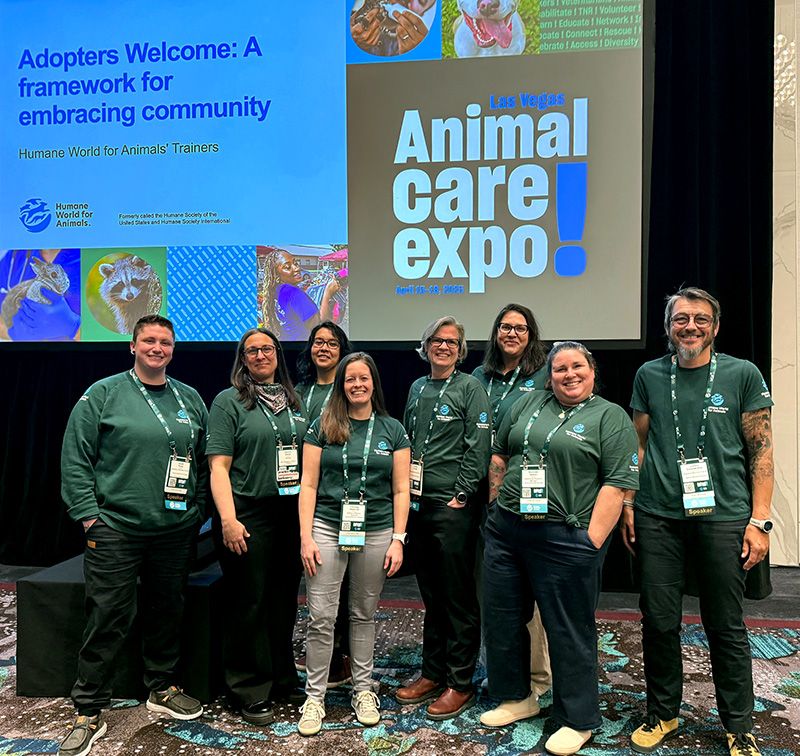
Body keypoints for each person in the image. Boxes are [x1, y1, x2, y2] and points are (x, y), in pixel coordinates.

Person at [621, 288, 774, 756]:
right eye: (681, 318)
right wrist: (629, 504)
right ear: (668, 327)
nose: (690, 326)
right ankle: (663, 713)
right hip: (658, 515)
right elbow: (638, 445)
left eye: (700, 319)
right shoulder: (649, 375)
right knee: (658, 620)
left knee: (725, 624)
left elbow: (761, 451)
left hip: (724, 516)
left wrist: (760, 521)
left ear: (716, 326)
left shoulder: (742, 374)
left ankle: (739, 725)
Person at [59, 314, 207, 756]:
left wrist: (196, 511)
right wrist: (89, 517)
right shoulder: (103, 394)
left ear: (173, 349)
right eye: (149, 340)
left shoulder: (189, 397)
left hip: (174, 529)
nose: (157, 348)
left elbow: (203, 461)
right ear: (133, 345)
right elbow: (76, 457)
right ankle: (89, 710)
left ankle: (161, 688)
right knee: (107, 615)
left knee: (167, 610)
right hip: (115, 528)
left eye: (165, 342)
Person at [483, 341, 639, 756]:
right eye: (559, 369)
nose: (569, 375)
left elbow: (617, 482)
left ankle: (578, 719)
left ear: (592, 371)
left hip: (565, 537)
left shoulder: (610, 416)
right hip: (507, 529)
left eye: (577, 367)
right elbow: (500, 453)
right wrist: (496, 504)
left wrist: (591, 541)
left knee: (568, 628)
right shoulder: (527, 402)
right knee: (503, 617)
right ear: (548, 376)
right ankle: (518, 697)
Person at [297, 352, 411, 736]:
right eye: (350, 379)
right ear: (341, 385)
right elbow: (308, 484)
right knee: (321, 616)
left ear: (374, 383)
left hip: (376, 531)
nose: (357, 385)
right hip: (327, 528)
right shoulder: (322, 426)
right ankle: (314, 697)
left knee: (363, 614)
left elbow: (401, 489)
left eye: (364, 378)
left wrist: (398, 539)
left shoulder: (393, 430)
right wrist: (305, 537)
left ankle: (363, 690)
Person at [207, 328, 308, 725]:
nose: (261, 355)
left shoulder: (294, 401)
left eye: (267, 348)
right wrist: (228, 519)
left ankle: (281, 675)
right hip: (247, 513)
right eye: (252, 351)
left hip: (289, 514)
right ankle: (249, 688)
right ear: (243, 359)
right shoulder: (228, 402)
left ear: (277, 354)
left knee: (283, 601)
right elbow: (218, 467)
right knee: (248, 602)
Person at [396, 316, 491, 720]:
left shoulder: (470, 387)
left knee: (457, 598)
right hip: (418, 506)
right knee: (432, 596)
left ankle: (460, 682)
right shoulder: (417, 387)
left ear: (460, 349)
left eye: (452, 341)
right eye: (437, 340)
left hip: (452, 509)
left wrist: (462, 494)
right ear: (426, 345)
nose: (444, 346)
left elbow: (478, 445)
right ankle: (432, 673)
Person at [472, 303, 551, 713]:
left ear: (531, 334)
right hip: (476, 491)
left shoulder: (545, 376)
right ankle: (497, 668)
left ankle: (537, 677)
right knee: (491, 588)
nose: (512, 334)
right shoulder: (478, 377)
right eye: (505, 326)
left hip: (523, 496)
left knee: (528, 592)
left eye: (520, 328)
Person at [294, 321, 354, 687]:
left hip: (335, 500)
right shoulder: (297, 392)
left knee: (340, 584)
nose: (324, 348)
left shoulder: (349, 390)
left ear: (342, 350)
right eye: (318, 342)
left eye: (332, 343)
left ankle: (339, 655)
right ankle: (316, 648)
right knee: (310, 582)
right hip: (298, 492)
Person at [257, 246, 339, 341]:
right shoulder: (293, 292)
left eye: (295, 263)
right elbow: (320, 328)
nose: (296, 268)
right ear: (277, 275)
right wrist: (327, 293)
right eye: (287, 267)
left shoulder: (276, 291)